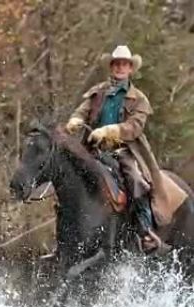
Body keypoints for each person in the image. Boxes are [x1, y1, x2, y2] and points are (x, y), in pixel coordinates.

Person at [65, 45, 161, 251]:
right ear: (111, 67)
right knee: (68, 175)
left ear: (130, 69)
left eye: (124, 65)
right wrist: (75, 119)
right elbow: (82, 110)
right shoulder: (97, 92)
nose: (120, 68)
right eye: (116, 64)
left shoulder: (139, 99)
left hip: (123, 151)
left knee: (136, 180)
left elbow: (135, 127)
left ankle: (145, 231)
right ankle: (66, 229)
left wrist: (111, 130)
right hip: (94, 150)